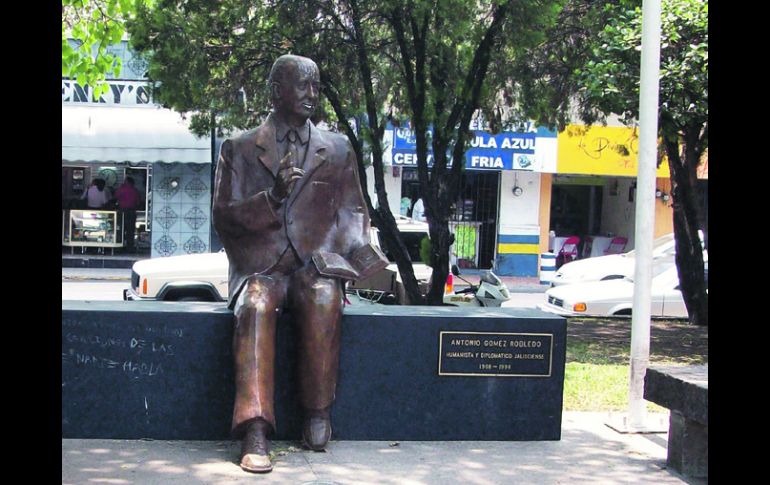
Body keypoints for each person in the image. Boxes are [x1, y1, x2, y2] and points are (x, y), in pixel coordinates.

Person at [212, 54, 386, 474]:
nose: (313, 94)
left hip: (314, 265)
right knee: (254, 305)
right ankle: (254, 428)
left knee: (325, 297)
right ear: (276, 91)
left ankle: (317, 412)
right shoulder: (239, 149)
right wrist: (271, 198)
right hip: (262, 267)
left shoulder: (339, 149)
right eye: (303, 85)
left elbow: (352, 212)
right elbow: (225, 218)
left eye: (316, 85)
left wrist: (361, 254)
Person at [114, 177, 142, 252]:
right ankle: (130, 248)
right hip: (131, 212)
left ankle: (119, 247)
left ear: (126, 182)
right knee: (130, 230)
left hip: (121, 212)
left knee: (120, 229)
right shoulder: (135, 190)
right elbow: (138, 202)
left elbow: (115, 198)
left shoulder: (120, 189)